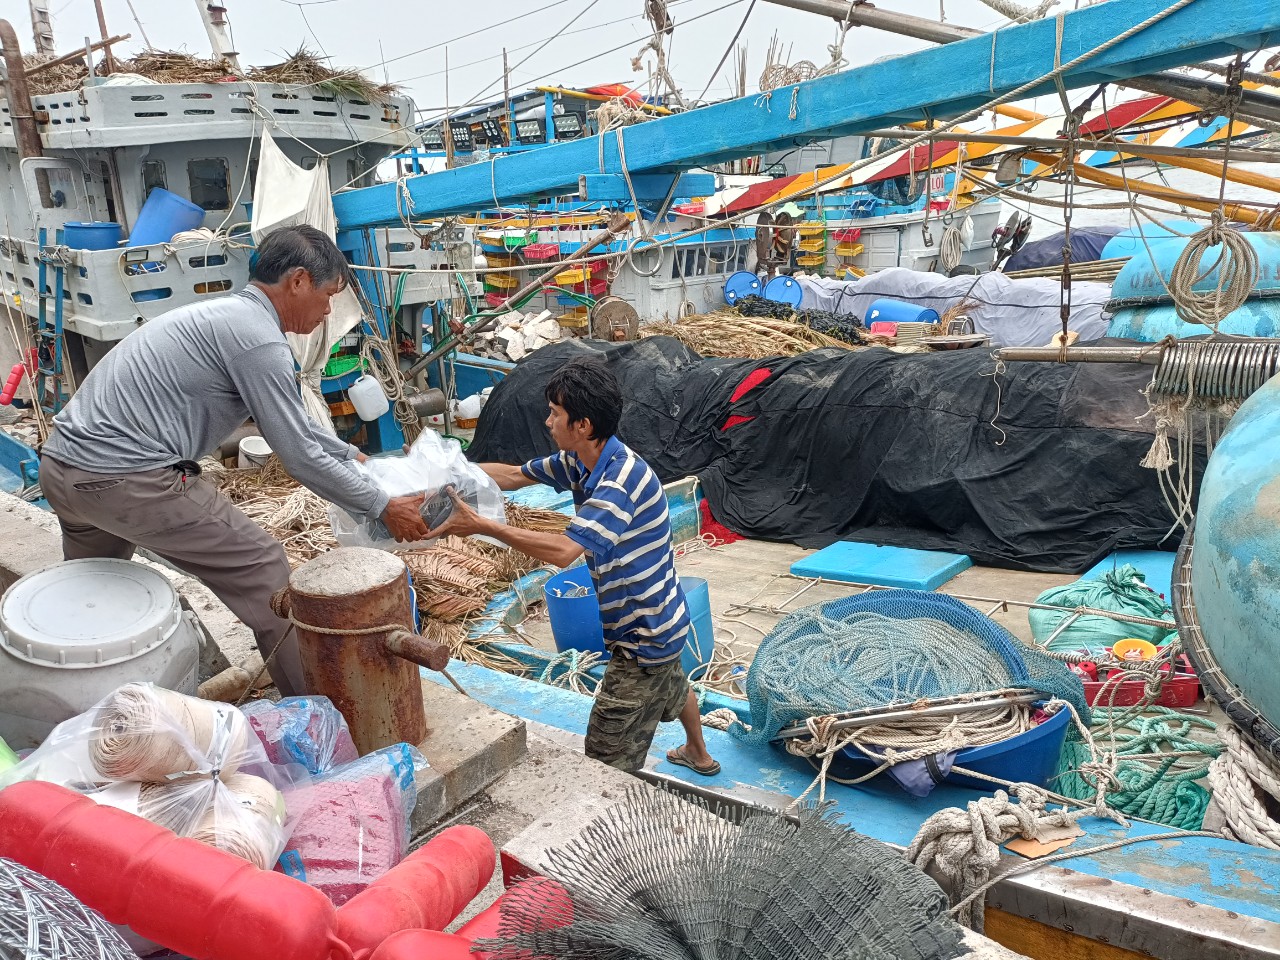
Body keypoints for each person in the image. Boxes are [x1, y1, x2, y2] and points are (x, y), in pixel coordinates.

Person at [39, 225, 430, 696]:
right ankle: (319, 716)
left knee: (94, 590)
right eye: (328, 296)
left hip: (63, 469)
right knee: (264, 568)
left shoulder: (224, 317)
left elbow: (295, 429)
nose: (328, 312)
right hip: (124, 478)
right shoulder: (259, 340)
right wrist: (381, 506)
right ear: (299, 281)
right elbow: (299, 456)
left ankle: (75, 696)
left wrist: (354, 457)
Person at [425, 356, 719, 776]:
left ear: (582, 425)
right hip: (664, 618)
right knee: (673, 684)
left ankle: (618, 825)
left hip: (644, 635)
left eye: (555, 413)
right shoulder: (581, 462)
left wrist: (480, 525)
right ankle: (698, 753)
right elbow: (510, 475)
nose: (547, 421)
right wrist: (448, 473)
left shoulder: (619, 482)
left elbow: (565, 551)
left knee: (604, 757)